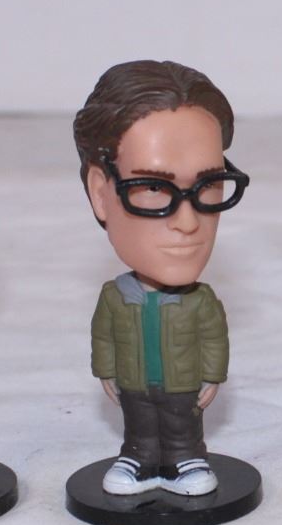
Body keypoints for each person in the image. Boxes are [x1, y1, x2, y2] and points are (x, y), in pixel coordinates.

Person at [73, 60, 246, 496]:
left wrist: (213, 375)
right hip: (135, 382)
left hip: (181, 384)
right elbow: (104, 335)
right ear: (100, 192)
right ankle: (138, 456)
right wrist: (105, 370)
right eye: (153, 187)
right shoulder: (116, 297)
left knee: (180, 425)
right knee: (140, 425)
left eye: (209, 184)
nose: (188, 222)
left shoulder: (201, 303)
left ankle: (186, 457)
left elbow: (213, 339)